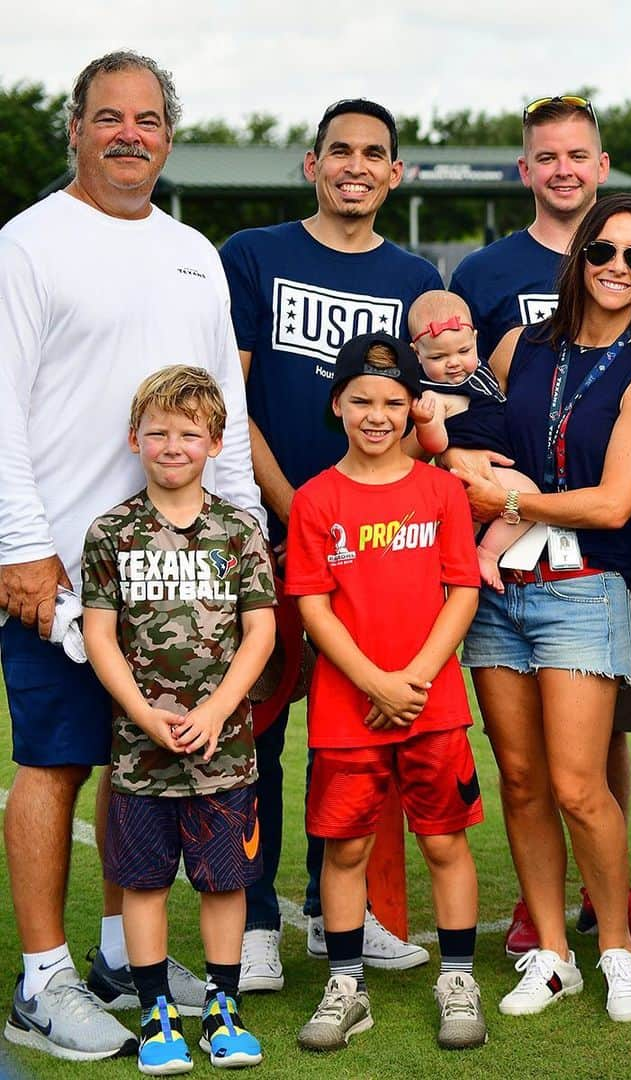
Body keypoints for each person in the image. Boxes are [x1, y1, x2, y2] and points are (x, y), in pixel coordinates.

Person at [0, 50, 262, 1062]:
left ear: (167, 133)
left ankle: (122, 958)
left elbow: (223, 423)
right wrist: (22, 547)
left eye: (147, 119)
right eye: (106, 117)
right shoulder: (27, 244)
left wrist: (244, 562)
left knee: (141, 772)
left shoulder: (194, 251)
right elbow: (4, 406)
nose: (127, 134)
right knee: (55, 766)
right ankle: (42, 979)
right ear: (74, 129)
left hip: (183, 588)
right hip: (61, 574)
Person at [220, 96, 442, 990]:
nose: (356, 164)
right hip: (266, 540)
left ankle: (328, 910)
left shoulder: (415, 274)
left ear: (396, 173)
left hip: (379, 551)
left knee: (350, 734)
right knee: (259, 735)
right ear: (311, 163)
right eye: (339, 150)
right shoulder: (254, 256)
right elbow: (231, 404)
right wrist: (298, 511)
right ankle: (261, 919)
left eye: (375, 153)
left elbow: (428, 416)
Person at [449, 94, 631, 958]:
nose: (616, 264)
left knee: (585, 770)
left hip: (595, 574)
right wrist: (472, 474)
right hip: (505, 587)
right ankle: (545, 937)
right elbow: (470, 438)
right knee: (521, 774)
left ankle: (611, 933)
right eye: (604, 252)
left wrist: (506, 503)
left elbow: (617, 500)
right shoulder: (517, 339)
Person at [287, 333, 486, 1052]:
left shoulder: (439, 491)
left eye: (394, 402)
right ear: (337, 403)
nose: (377, 415)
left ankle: (457, 978)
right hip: (348, 711)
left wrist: (415, 679)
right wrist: (373, 681)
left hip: (430, 703)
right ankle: (346, 986)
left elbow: (462, 588)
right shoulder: (315, 500)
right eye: (362, 400)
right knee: (345, 852)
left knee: (442, 840)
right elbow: (313, 605)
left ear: (413, 408)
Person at [81, 367, 276, 1074]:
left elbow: (261, 633)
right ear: (134, 439)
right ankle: (156, 1008)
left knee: (225, 880)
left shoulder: (238, 531)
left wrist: (219, 710)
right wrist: (144, 715)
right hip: (141, 751)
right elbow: (100, 636)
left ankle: (224, 1006)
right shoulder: (112, 533)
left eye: (188, 433)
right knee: (145, 882)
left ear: (215, 443)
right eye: (157, 431)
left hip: (224, 751)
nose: (171, 445)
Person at [407, 290, 539, 592]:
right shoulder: (433, 395)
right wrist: (427, 423)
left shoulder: (482, 371)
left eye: (463, 351)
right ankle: (488, 555)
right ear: (417, 354)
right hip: (469, 472)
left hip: (494, 464)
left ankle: (489, 557)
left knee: (477, 528)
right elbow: (436, 445)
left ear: (476, 340)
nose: (453, 363)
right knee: (529, 496)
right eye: (438, 357)